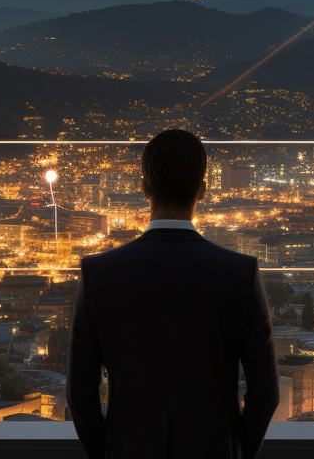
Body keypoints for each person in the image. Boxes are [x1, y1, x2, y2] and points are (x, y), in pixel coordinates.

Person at [69, 129, 278, 459]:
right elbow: (265, 395)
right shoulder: (240, 273)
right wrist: (235, 450)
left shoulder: (99, 273)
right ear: (203, 189)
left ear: (144, 188)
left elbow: (80, 396)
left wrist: (109, 451)